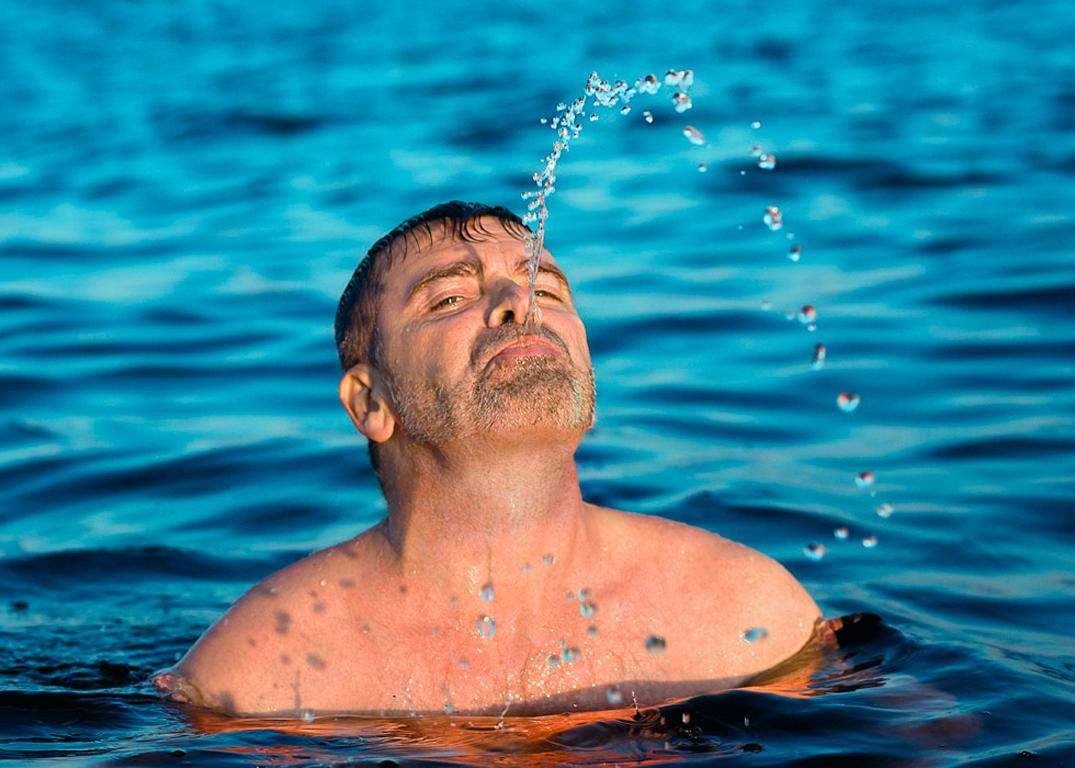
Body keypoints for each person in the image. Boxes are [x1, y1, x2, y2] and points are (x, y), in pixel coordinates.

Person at [153, 201, 821, 717]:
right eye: (449, 298)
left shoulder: (749, 615)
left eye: (547, 291)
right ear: (369, 402)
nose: (517, 303)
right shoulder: (259, 676)